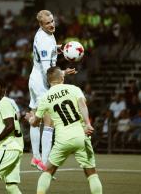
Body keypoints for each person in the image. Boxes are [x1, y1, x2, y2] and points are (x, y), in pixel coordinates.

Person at [26, 66, 103, 194]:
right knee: (91, 174)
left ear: (48, 80)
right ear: (62, 77)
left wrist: (30, 119)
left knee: (48, 171)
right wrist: (88, 124)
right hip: (80, 136)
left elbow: (35, 124)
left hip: (62, 139)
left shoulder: (45, 98)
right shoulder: (74, 89)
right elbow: (83, 105)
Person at [28, 10, 76, 170]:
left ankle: (36, 157)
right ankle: (45, 162)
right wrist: (62, 73)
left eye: (52, 21)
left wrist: (58, 49)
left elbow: (48, 51)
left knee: (35, 118)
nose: (52, 24)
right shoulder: (44, 40)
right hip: (42, 82)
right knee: (50, 121)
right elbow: (47, 68)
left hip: (34, 79)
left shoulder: (45, 35)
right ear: (41, 24)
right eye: (48, 23)